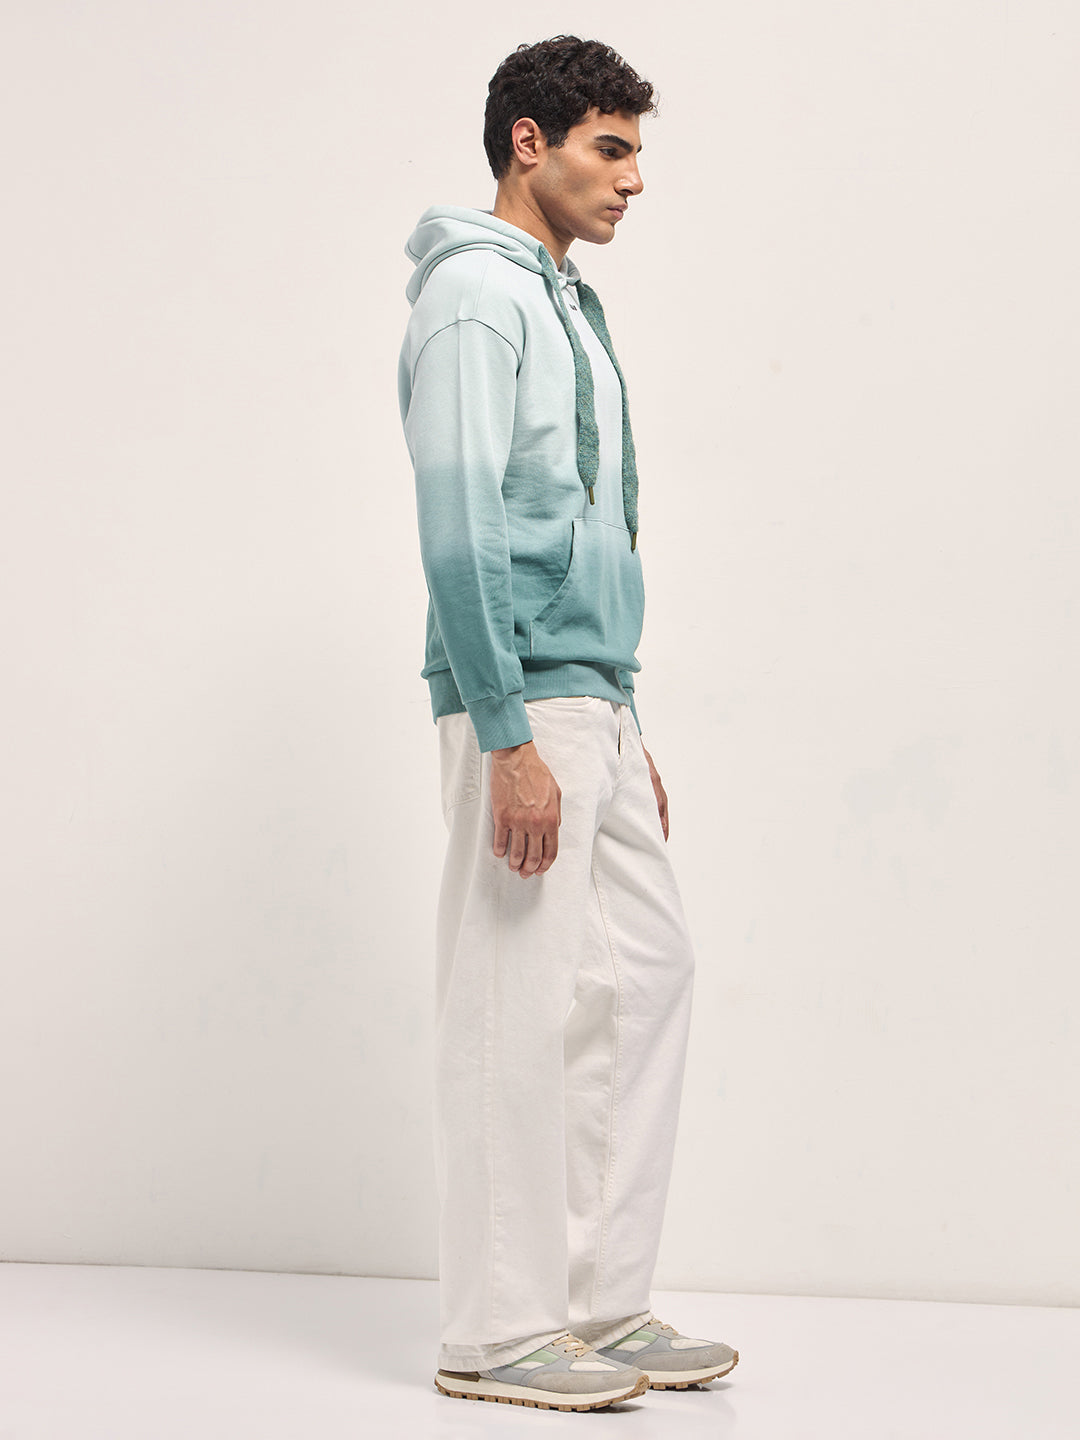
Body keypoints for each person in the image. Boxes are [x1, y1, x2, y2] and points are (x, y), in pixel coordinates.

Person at [397, 34, 739, 1412]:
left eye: (637, 151)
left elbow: (591, 516)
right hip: (518, 698)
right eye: (612, 147)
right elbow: (461, 520)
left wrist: (622, 716)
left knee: (643, 974)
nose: (634, 178)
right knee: (512, 997)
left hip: (588, 692)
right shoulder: (476, 298)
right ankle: (497, 1329)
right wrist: (507, 731)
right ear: (527, 143)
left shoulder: (569, 304)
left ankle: (594, 1299)